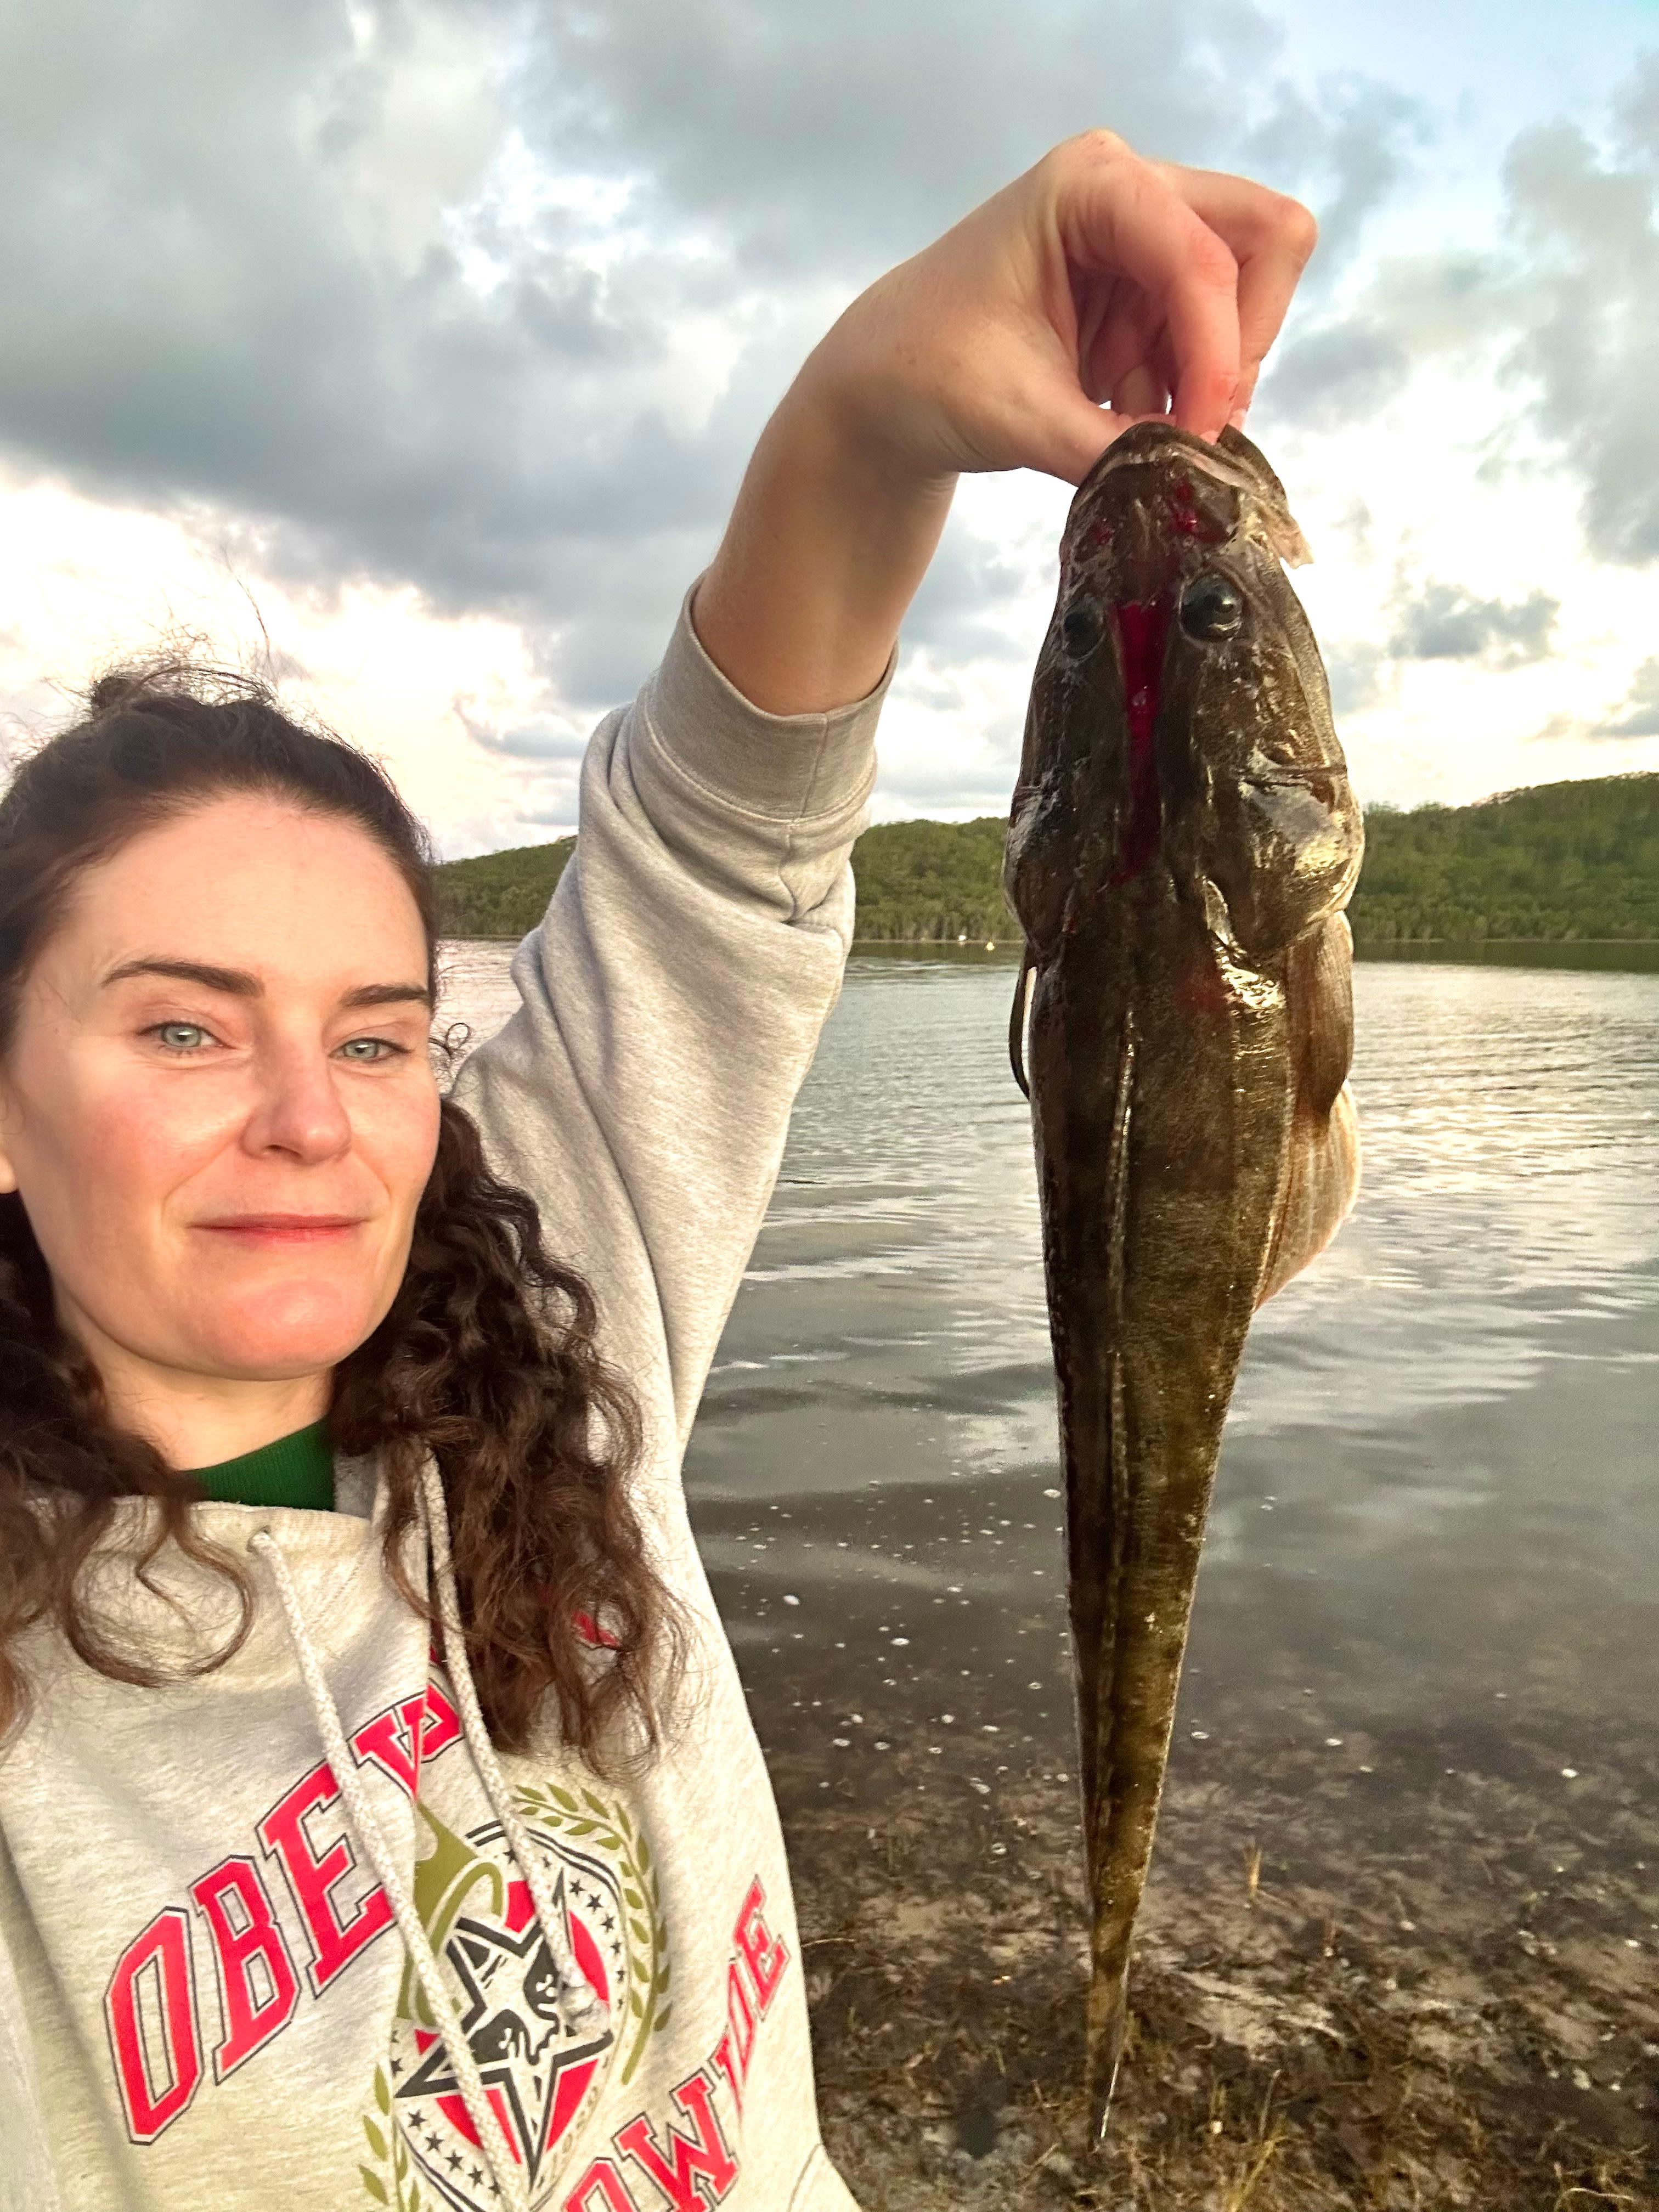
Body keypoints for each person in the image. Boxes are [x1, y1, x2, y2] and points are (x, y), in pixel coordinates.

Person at [0, 132, 1314, 2211]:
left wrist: (882, 393)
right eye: (179, 1025)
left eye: (377, 1028)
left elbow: (717, 838)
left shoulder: (551, 1300)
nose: (309, 1118)